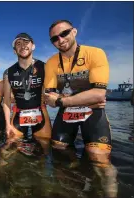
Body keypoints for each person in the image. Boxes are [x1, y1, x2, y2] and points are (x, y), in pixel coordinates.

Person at [43, 20, 117, 198]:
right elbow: (49, 99)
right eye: (54, 38)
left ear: (74, 32)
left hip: (93, 113)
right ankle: (67, 190)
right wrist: (84, 98)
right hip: (67, 113)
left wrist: (63, 100)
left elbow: (99, 94)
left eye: (64, 33)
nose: (60, 40)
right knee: (59, 152)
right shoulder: (51, 62)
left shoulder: (95, 53)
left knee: (99, 159)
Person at [2, 32, 51, 156]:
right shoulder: (8, 72)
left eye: (26, 42)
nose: (22, 46)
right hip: (19, 113)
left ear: (33, 46)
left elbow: (51, 92)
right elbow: (6, 101)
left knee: (45, 149)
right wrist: (7, 124)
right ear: (14, 51)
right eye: (18, 44)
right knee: (8, 148)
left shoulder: (44, 67)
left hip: (40, 112)